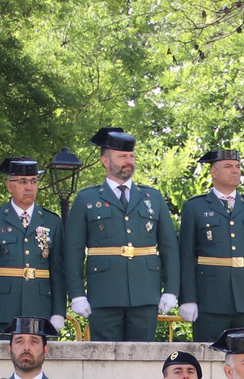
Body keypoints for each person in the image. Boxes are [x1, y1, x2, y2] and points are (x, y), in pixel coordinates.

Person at [65, 127, 179, 341]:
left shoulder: (152, 197)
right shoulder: (87, 199)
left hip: (145, 292)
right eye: (122, 156)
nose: (129, 160)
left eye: (131, 156)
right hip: (104, 293)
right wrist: (77, 294)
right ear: (105, 161)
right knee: (105, 360)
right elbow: (73, 252)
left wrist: (171, 289)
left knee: (143, 360)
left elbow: (169, 248)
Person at [176, 149, 244, 341]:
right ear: (214, 172)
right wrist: (188, 298)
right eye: (228, 166)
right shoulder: (195, 207)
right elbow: (186, 258)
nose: (235, 171)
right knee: (209, 360)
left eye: (238, 166)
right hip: (210, 300)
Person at [0, 159, 66, 339]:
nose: (29, 187)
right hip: (2, 307)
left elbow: (58, 271)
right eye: (23, 181)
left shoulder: (52, 221)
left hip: (40, 306)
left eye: (33, 181)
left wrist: (59, 311)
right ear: (9, 186)